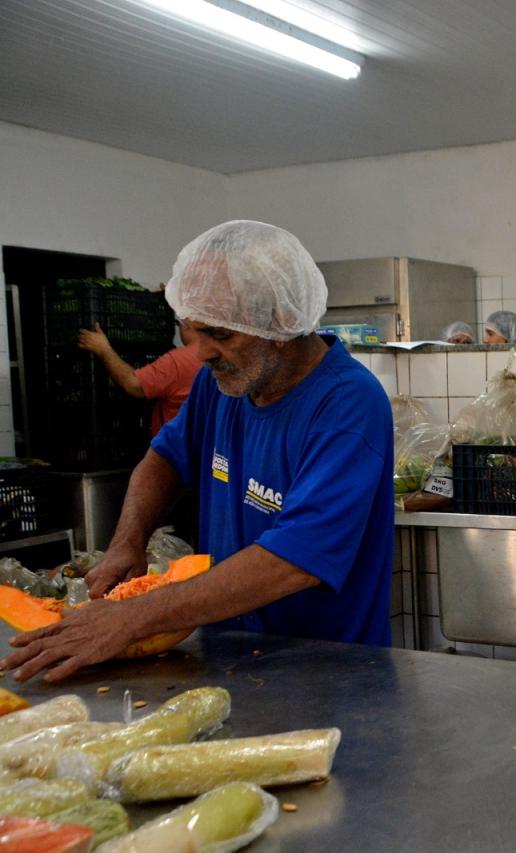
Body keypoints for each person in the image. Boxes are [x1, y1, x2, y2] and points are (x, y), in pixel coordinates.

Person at [4, 220, 395, 682]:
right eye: (193, 331)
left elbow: (296, 560)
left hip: (327, 669)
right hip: (228, 656)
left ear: (279, 325)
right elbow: (164, 458)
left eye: (222, 335)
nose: (202, 353)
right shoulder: (223, 384)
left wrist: (133, 617)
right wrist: (128, 542)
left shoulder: (348, 403)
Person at [78, 319, 202, 436]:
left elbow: (134, 385)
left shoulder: (179, 361)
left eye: (178, 323)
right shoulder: (217, 354)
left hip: (179, 449)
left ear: (189, 323)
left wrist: (104, 349)